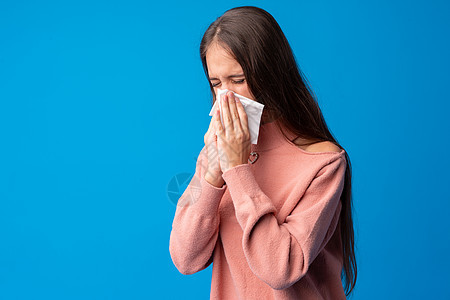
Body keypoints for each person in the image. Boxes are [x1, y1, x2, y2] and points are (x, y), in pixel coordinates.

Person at [169, 6, 357, 300]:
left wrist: (237, 170)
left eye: (238, 80)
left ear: (270, 75)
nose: (226, 97)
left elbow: (280, 270)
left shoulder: (325, 164)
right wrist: (212, 174)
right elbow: (185, 258)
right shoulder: (212, 154)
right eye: (216, 84)